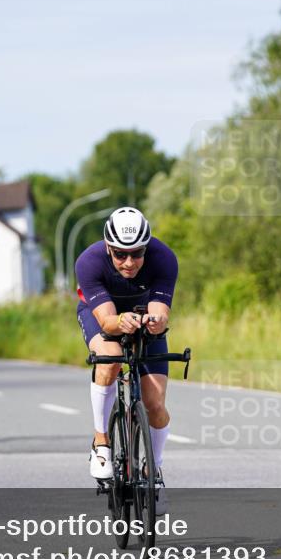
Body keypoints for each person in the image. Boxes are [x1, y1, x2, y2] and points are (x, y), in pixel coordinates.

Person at [74, 207, 178, 512]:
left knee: (155, 404)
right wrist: (121, 321)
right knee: (111, 357)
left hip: (142, 315)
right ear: (108, 247)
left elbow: (161, 311)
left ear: (147, 248)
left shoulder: (164, 258)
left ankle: (153, 472)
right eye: (120, 254)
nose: (129, 262)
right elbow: (107, 323)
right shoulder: (89, 262)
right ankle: (101, 443)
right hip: (102, 315)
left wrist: (156, 322)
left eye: (136, 253)